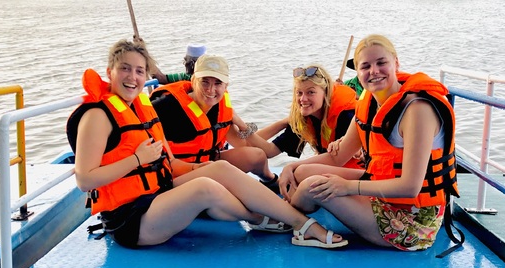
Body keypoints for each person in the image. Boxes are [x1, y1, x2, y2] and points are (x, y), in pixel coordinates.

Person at [65, 39, 347, 249]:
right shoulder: (98, 116)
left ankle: (299, 224)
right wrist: (137, 160)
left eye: (140, 71)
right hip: (130, 219)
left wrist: (205, 165)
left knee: (219, 170)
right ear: (110, 71)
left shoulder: (141, 109)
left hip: (158, 192)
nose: (133, 77)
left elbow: (169, 164)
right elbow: (85, 180)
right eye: (125, 69)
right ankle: (264, 218)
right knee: (206, 187)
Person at [283, 34, 461, 252]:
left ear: (396, 62)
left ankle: (287, 217)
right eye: (365, 66)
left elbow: (410, 186)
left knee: (312, 185)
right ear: (358, 73)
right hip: (380, 189)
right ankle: (291, 212)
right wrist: (290, 167)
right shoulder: (368, 102)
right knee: (303, 171)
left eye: (381, 63)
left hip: (413, 221)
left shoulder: (417, 110)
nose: (374, 71)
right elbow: (338, 157)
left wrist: (347, 187)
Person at [149, 54, 280, 191]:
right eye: (204, 82)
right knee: (249, 208)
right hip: (176, 173)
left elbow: (243, 144)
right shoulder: (165, 107)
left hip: (209, 162)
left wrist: (241, 124)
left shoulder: (220, 105)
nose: (211, 90)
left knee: (257, 155)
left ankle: (271, 182)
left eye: (218, 83)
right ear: (193, 80)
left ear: (225, 86)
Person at [239, 64, 364, 198]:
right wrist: (281, 123)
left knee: (299, 173)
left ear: (325, 93)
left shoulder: (346, 115)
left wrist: (291, 167)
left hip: (357, 176)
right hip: (334, 171)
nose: (303, 99)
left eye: (311, 92)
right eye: (299, 93)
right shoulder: (306, 118)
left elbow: (337, 159)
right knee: (296, 176)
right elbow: (270, 150)